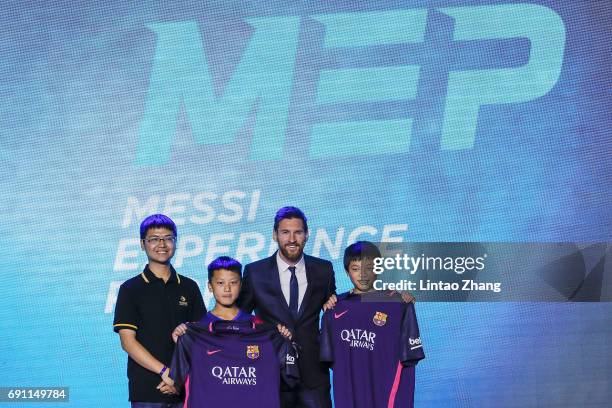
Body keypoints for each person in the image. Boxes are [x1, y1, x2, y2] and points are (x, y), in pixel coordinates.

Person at [237, 206, 336, 408]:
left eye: (298, 232)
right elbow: (241, 319)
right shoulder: (255, 272)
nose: (292, 239)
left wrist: (394, 298)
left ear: (307, 235)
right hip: (270, 372)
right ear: (275, 235)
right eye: (285, 232)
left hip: (314, 375)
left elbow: (336, 308)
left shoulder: (323, 270)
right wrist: (268, 331)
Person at [113, 214, 206, 408]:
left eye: (168, 238)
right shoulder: (130, 289)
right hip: (148, 390)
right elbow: (128, 342)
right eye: (154, 239)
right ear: (142, 244)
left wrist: (179, 376)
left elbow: (201, 338)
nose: (162, 244)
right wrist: (166, 372)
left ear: (175, 242)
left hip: (186, 388)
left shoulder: (189, 287)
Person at [320, 241, 425, 408]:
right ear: (347, 272)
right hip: (351, 395)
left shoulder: (397, 304)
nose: (362, 275)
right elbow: (327, 359)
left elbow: (411, 356)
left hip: (386, 395)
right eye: (355, 269)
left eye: (368, 268)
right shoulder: (333, 309)